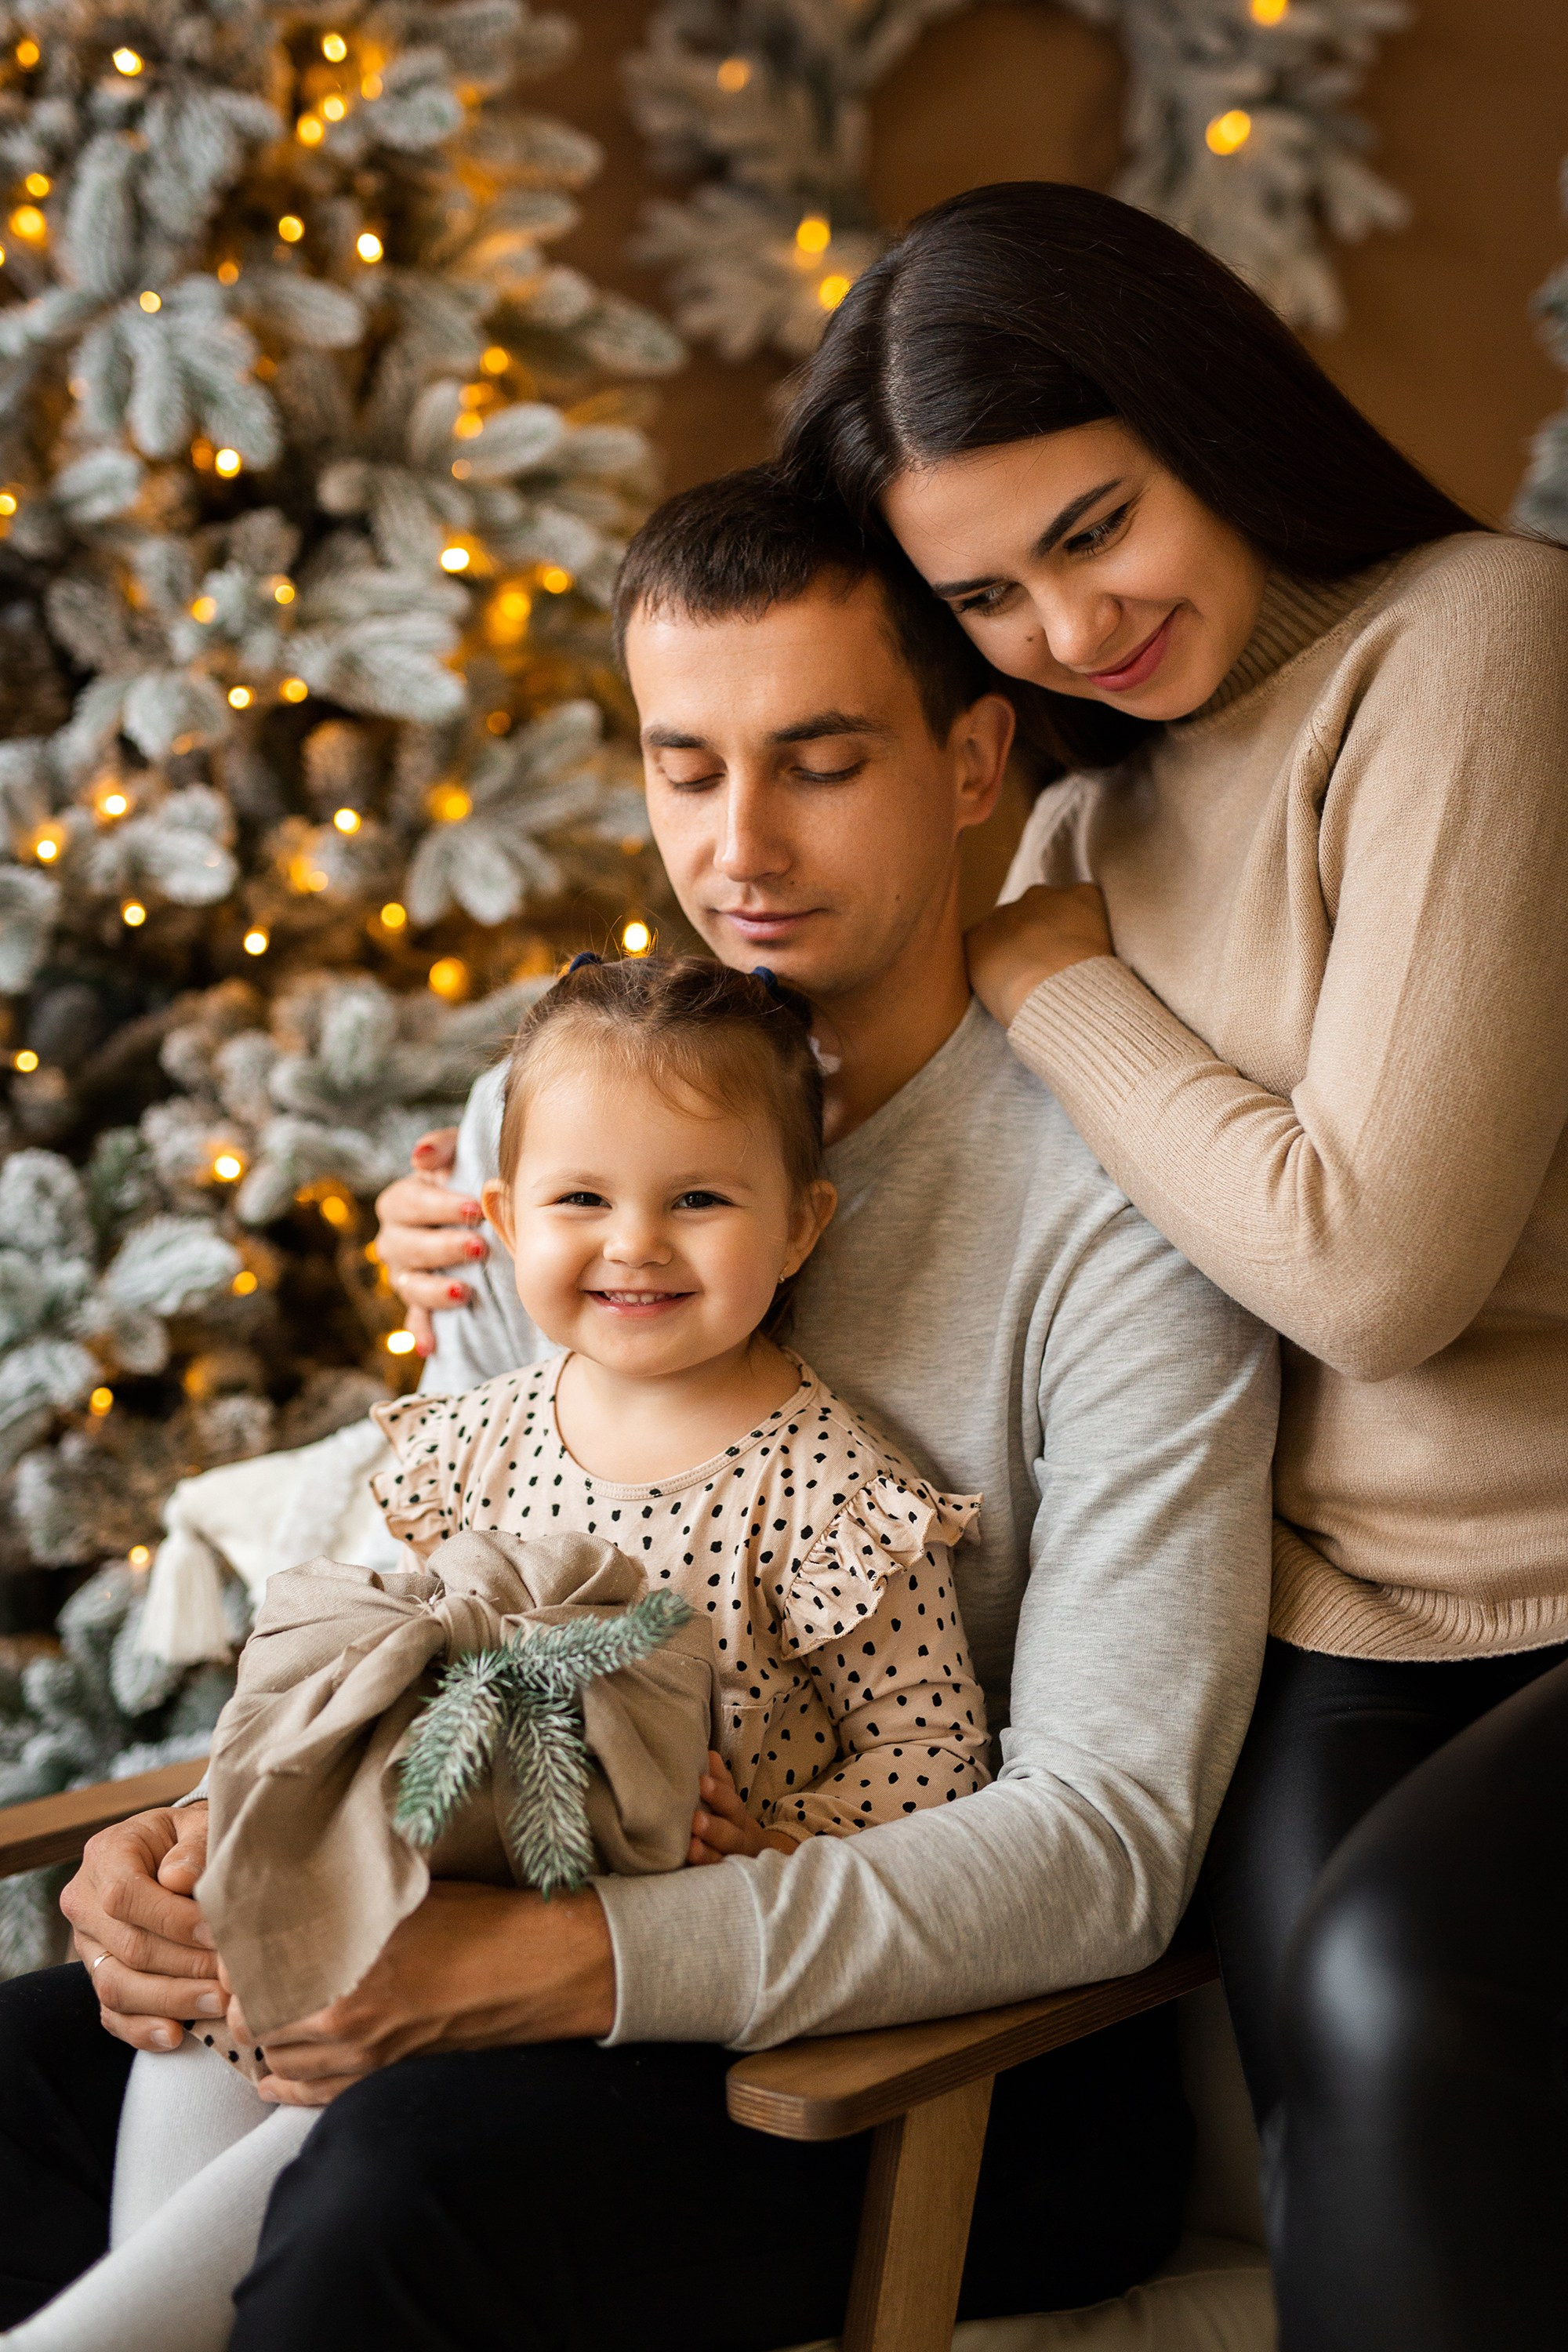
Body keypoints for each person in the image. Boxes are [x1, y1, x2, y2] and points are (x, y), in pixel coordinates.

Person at [0, 467, 1278, 2350]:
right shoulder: (565, 1118)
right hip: (516, 1870)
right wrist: (210, 1844)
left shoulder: (1114, 1197)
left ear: (974, 760)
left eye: (821, 761)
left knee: (402, 2178)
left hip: (941, 2061)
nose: (739, 846)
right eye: (687, 767)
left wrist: (558, 1965)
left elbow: (1100, 1842)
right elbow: (426, 1614)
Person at [779, 176, 1568, 2351]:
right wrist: (517, 1210)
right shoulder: (1068, 821)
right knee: (1339, 2098)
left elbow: (1377, 1273)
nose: (1067, 627)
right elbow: (893, 1175)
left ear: (1214, 414)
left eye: (1096, 525)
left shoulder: (1474, 641)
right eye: (989, 596)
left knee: (1401, 1976)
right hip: (1328, 1615)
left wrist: (1059, 991)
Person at [2, 953, 993, 2352]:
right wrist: (241, 1813)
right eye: (581, 1200)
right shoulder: (476, 1441)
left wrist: (773, 1840)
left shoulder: (829, 1492)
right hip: (422, 1868)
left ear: (800, 1224)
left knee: (382, 2112)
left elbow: (933, 1758)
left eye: (698, 1199)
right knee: (237, 1967)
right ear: (504, 1217)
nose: (634, 1244)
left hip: (632, 1969)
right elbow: (371, 1671)